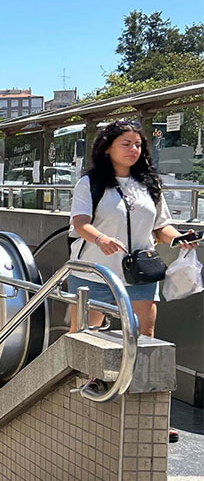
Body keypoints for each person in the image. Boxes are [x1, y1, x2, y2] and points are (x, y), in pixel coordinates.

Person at [68, 120, 199, 337]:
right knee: (83, 337)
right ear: (108, 148)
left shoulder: (149, 185)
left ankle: (135, 373)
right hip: (95, 273)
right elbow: (80, 223)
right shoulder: (89, 183)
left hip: (140, 273)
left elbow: (160, 226)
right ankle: (82, 374)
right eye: (126, 144)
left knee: (143, 334)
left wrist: (179, 239)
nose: (133, 150)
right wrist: (101, 239)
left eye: (138, 145)